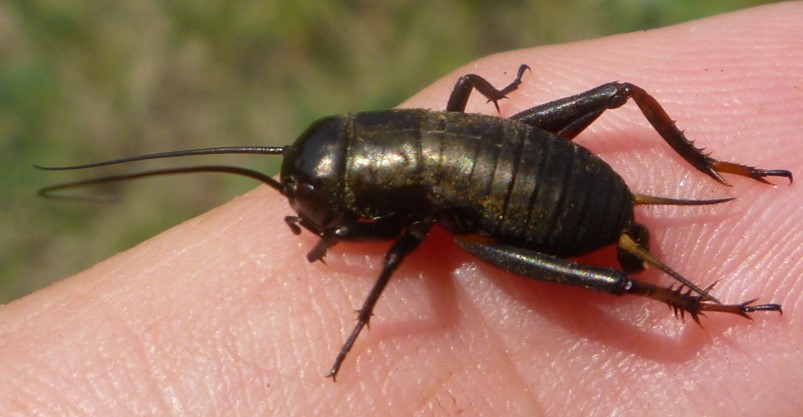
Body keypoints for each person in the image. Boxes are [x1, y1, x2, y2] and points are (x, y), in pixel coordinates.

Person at [2, 4, 800, 415]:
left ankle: (711, 291)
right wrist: (496, 99)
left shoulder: (399, 220)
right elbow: (465, 96)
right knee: (614, 100)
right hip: (520, 158)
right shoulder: (411, 124)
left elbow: (391, 251)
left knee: (616, 253)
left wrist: (355, 311)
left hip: (545, 207)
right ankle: (710, 240)